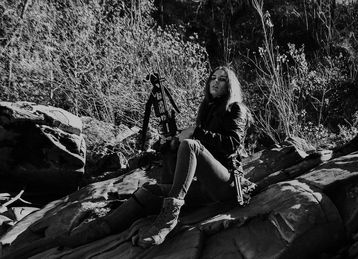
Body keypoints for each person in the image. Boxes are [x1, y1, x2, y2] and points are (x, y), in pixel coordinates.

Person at [3, 66, 254, 258]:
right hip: (200, 187)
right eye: (213, 78)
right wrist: (170, 146)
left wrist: (194, 134)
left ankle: (168, 218)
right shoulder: (206, 109)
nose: (216, 83)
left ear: (230, 86)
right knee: (147, 190)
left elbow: (231, 144)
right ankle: (47, 245)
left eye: (222, 79)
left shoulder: (236, 109)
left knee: (190, 144)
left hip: (226, 185)